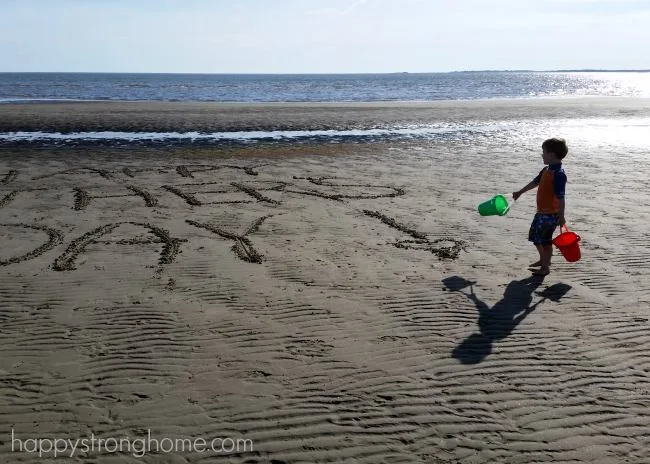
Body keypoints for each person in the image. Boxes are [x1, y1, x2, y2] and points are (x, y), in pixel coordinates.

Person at [512, 138, 568, 276]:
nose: (542, 155)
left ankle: (545, 267)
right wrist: (520, 192)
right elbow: (534, 182)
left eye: (544, 152)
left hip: (551, 214)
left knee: (545, 240)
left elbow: (561, 198)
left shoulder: (559, 174)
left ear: (552, 154)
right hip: (541, 212)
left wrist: (561, 216)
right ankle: (544, 260)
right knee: (535, 237)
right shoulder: (546, 169)